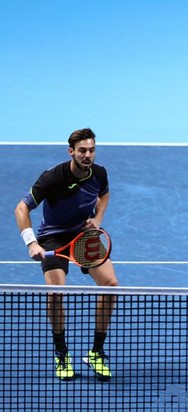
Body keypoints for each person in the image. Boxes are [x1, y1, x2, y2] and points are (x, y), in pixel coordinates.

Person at [15, 128, 118, 381]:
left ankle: (96, 352)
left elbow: (104, 194)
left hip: (83, 235)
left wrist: (97, 219)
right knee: (56, 293)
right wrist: (31, 243)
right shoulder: (52, 178)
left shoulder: (99, 173)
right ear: (71, 151)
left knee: (111, 286)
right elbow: (21, 208)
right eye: (82, 150)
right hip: (54, 237)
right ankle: (61, 353)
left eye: (91, 150)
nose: (88, 155)